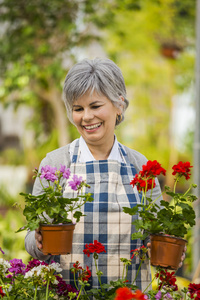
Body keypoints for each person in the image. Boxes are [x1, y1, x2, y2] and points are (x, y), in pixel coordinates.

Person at [25, 58, 184, 292]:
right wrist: (38, 242)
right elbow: (31, 237)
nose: (86, 117)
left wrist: (169, 250)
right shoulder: (56, 163)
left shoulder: (141, 167)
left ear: (119, 105)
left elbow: (158, 234)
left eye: (95, 106)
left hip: (129, 295)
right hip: (69, 294)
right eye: (78, 109)